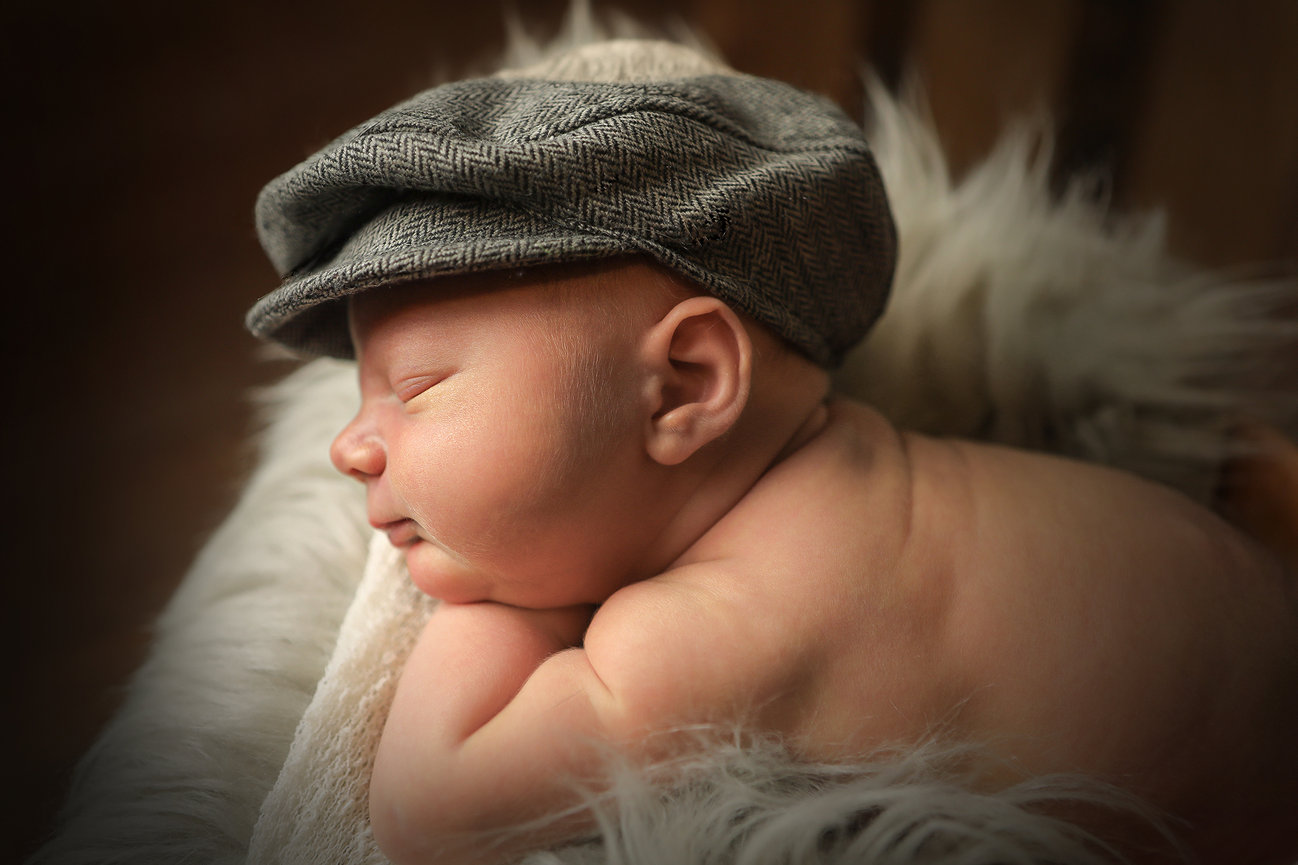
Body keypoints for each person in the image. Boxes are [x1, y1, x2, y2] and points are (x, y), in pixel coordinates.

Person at [246, 39, 1298, 865]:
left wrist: (502, 590)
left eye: (416, 390)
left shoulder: (720, 628)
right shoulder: (878, 470)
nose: (347, 445)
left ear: (686, 384)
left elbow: (429, 809)